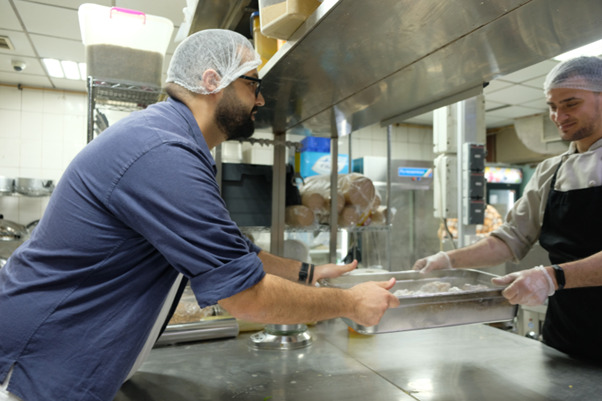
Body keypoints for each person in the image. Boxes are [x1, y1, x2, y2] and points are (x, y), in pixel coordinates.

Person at [0, 29, 399, 401]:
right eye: (251, 84)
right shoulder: (161, 152)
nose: (259, 99)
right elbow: (247, 298)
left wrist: (307, 274)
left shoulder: (172, 142)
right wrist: (348, 303)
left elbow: (233, 252)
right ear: (212, 82)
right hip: (31, 366)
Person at [413, 55, 602, 362]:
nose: (558, 115)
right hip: (566, 337)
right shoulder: (550, 172)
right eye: (552, 106)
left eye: (570, 103)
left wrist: (551, 278)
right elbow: (511, 237)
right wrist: (448, 260)